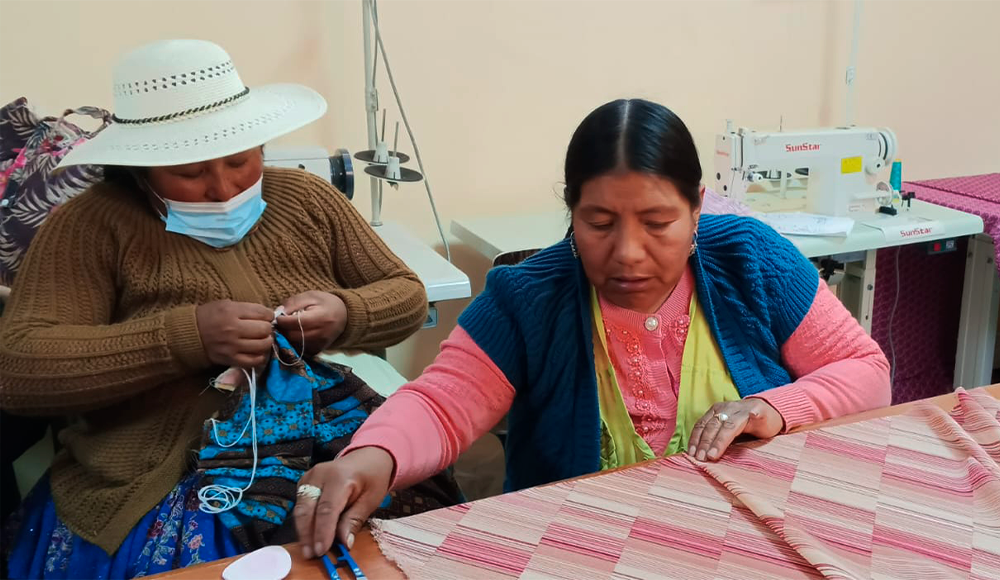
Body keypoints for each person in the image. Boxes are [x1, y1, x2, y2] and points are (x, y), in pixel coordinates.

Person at [292, 98, 893, 558]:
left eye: (658, 222)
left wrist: (771, 408)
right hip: (587, 547)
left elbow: (866, 373)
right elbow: (444, 403)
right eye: (599, 222)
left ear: (697, 208)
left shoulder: (750, 259)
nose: (628, 252)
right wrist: (372, 456)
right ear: (571, 212)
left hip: (753, 532)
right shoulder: (531, 296)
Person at [0, 39, 441, 579]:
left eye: (241, 160)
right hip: (159, 472)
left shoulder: (307, 199)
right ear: (142, 167)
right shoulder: (90, 225)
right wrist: (185, 339)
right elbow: (21, 367)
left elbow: (405, 293)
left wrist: (346, 312)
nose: (223, 187)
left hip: (322, 442)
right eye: (188, 174)